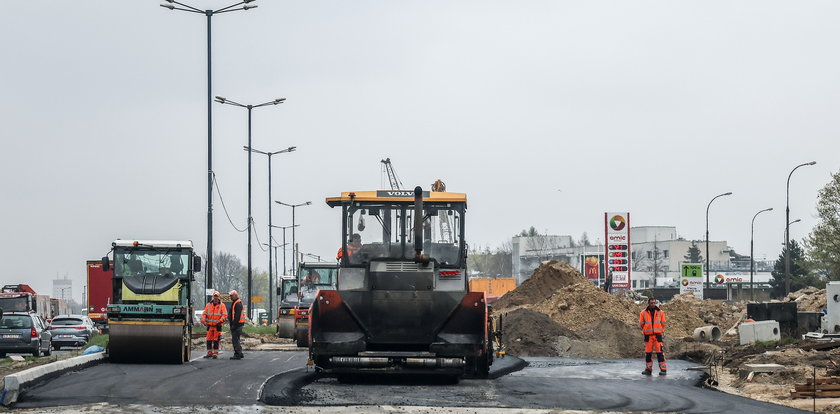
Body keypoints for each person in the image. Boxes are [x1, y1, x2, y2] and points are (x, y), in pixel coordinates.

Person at [639, 297, 667, 376]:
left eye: (654, 303)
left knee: (660, 353)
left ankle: (663, 369)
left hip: (657, 335)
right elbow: (641, 324)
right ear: (648, 303)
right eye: (651, 303)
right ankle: (648, 369)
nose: (653, 304)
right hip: (648, 336)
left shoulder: (660, 312)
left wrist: (658, 329)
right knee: (648, 353)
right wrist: (647, 329)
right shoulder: (643, 313)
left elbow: (663, 323)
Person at [200, 291, 227, 359]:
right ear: (213, 297)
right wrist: (203, 321)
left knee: (216, 340)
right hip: (209, 325)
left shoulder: (222, 305)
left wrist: (220, 321)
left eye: (216, 297)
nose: (215, 298)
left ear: (218, 298)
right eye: (214, 296)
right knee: (209, 339)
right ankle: (209, 353)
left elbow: (224, 315)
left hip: (217, 326)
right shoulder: (208, 305)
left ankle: (215, 353)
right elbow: (204, 314)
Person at [228, 290, 246, 360]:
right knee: (237, 339)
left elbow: (237, 316)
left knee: (235, 339)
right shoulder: (235, 303)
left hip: (237, 325)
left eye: (231, 296)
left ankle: (237, 354)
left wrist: (234, 325)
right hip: (238, 324)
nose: (230, 297)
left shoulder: (237, 304)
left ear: (235, 295)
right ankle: (240, 353)